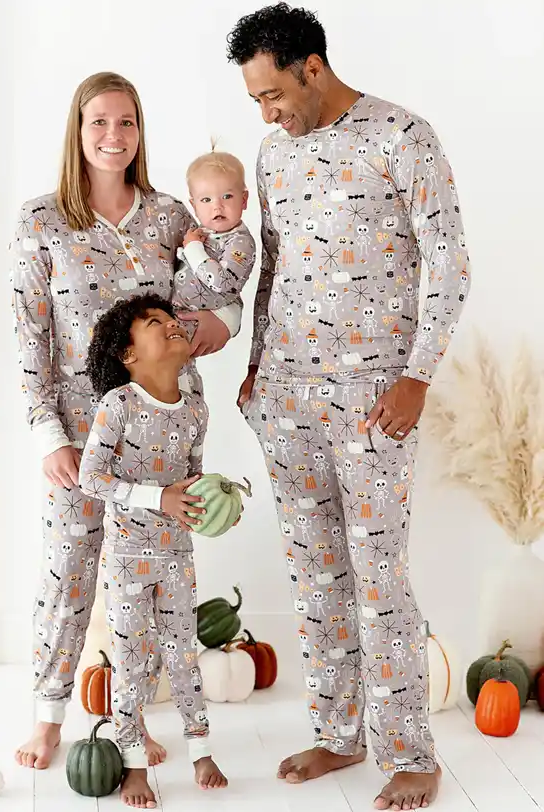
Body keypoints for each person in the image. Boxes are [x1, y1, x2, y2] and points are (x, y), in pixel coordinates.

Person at [227, 4, 471, 810]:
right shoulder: (271, 155)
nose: (265, 113)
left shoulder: (404, 137)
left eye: (271, 94)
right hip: (286, 400)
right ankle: (339, 734)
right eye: (255, 100)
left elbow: (450, 261)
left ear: (312, 67)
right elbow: (277, 269)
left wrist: (418, 375)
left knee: (378, 579)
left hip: (374, 403)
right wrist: (257, 365)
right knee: (314, 577)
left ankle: (411, 753)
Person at [10, 71, 242, 770]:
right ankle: (48, 717)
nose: (114, 136)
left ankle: (132, 725)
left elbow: (221, 292)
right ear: (78, 132)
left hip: (162, 430)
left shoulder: (174, 215)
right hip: (81, 434)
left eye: (127, 123)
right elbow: (29, 334)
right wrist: (48, 434)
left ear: (141, 133)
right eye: (100, 123)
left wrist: (221, 326)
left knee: (148, 582)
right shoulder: (42, 220)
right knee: (69, 569)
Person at [79, 292, 229, 807]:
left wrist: (214, 499)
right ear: (128, 355)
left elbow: (192, 478)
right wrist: (157, 498)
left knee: (183, 654)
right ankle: (133, 764)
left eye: (171, 318)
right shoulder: (117, 405)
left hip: (177, 555)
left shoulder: (196, 411)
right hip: (126, 559)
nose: (169, 325)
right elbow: (89, 477)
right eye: (153, 322)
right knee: (130, 660)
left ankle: (201, 748)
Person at [172, 143, 256, 336]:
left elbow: (222, 283)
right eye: (206, 200)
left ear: (243, 200)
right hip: (175, 312)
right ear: (193, 205)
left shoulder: (240, 242)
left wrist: (193, 249)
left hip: (197, 321)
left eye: (227, 196)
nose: (217, 207)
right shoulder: (200, 232)